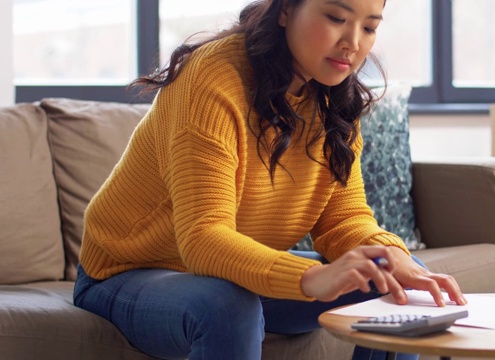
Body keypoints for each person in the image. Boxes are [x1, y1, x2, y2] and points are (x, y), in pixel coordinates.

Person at [73, 0, 467, 359]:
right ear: (285, 10)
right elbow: (202, 238)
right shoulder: (212, 78)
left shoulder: (333, 97)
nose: (352, 43)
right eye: (336, 18)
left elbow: (342, 220)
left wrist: (390, 253)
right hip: (126, 271)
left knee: (392, 279)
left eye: (369, 27)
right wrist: (312, 277)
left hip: (232, 273)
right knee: (226, 306)